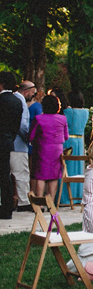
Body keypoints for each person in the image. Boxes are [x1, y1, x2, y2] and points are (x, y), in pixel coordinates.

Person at [29, 93, 68, 202]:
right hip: (57, 149)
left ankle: (39, 202)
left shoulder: (39, 118)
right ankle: (50, 202)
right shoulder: (62, 119)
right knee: (54, 176)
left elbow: (31, 136)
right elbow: (66, 136)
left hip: (42, 148)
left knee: (41, 175)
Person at [12, 80, 38, 210]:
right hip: (18, 143)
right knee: (21, 173)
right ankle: (23, 201)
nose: (32, 96)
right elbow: (22, 124)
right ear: (26, 91)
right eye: (32, 93)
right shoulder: (20, 101)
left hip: (8, 143)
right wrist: (29, 137)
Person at [0, 72, 21, 218]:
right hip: (7, 141)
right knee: (5, 174)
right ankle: (7, 209)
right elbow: (16, 126)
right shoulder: (17, 101)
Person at [62, 91, 89, 204]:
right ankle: (78, 194)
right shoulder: (85, 112)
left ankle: (67, 196)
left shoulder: (67, 112)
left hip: (69, 140)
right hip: (79, 141)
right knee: (79, 167)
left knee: (68, 168)